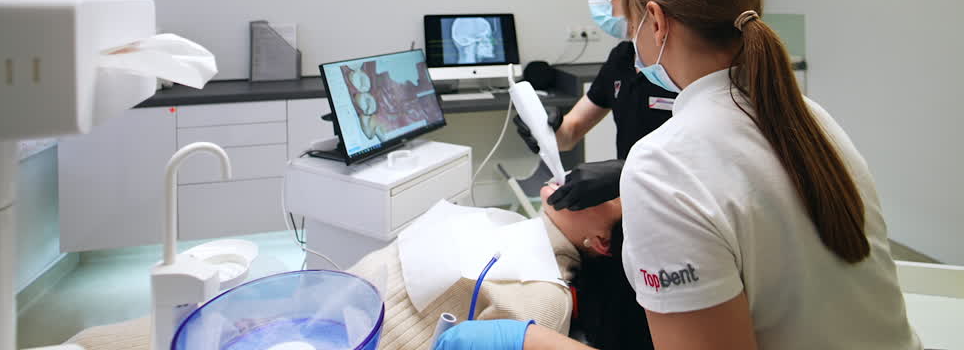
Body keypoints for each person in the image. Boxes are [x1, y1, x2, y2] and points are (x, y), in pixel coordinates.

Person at [436, 0, 921, 350]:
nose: (629, 36)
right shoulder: (810, 117)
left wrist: (533, 342)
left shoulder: (664, 164)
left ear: (657, 20)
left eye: (632, 23)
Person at [60, 189, 625, 350]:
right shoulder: (511, 220)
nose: (592, 180)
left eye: (610, 194)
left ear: (600, 241)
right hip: (302, 311)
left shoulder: (546, 292)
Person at [515, 0, 675, 213]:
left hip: (676, 206)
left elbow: (708, 159)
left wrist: (625, 171)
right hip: (634, 203)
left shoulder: (680, 64)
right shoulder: (622, 58)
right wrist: (543, 129)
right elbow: (571, 133)